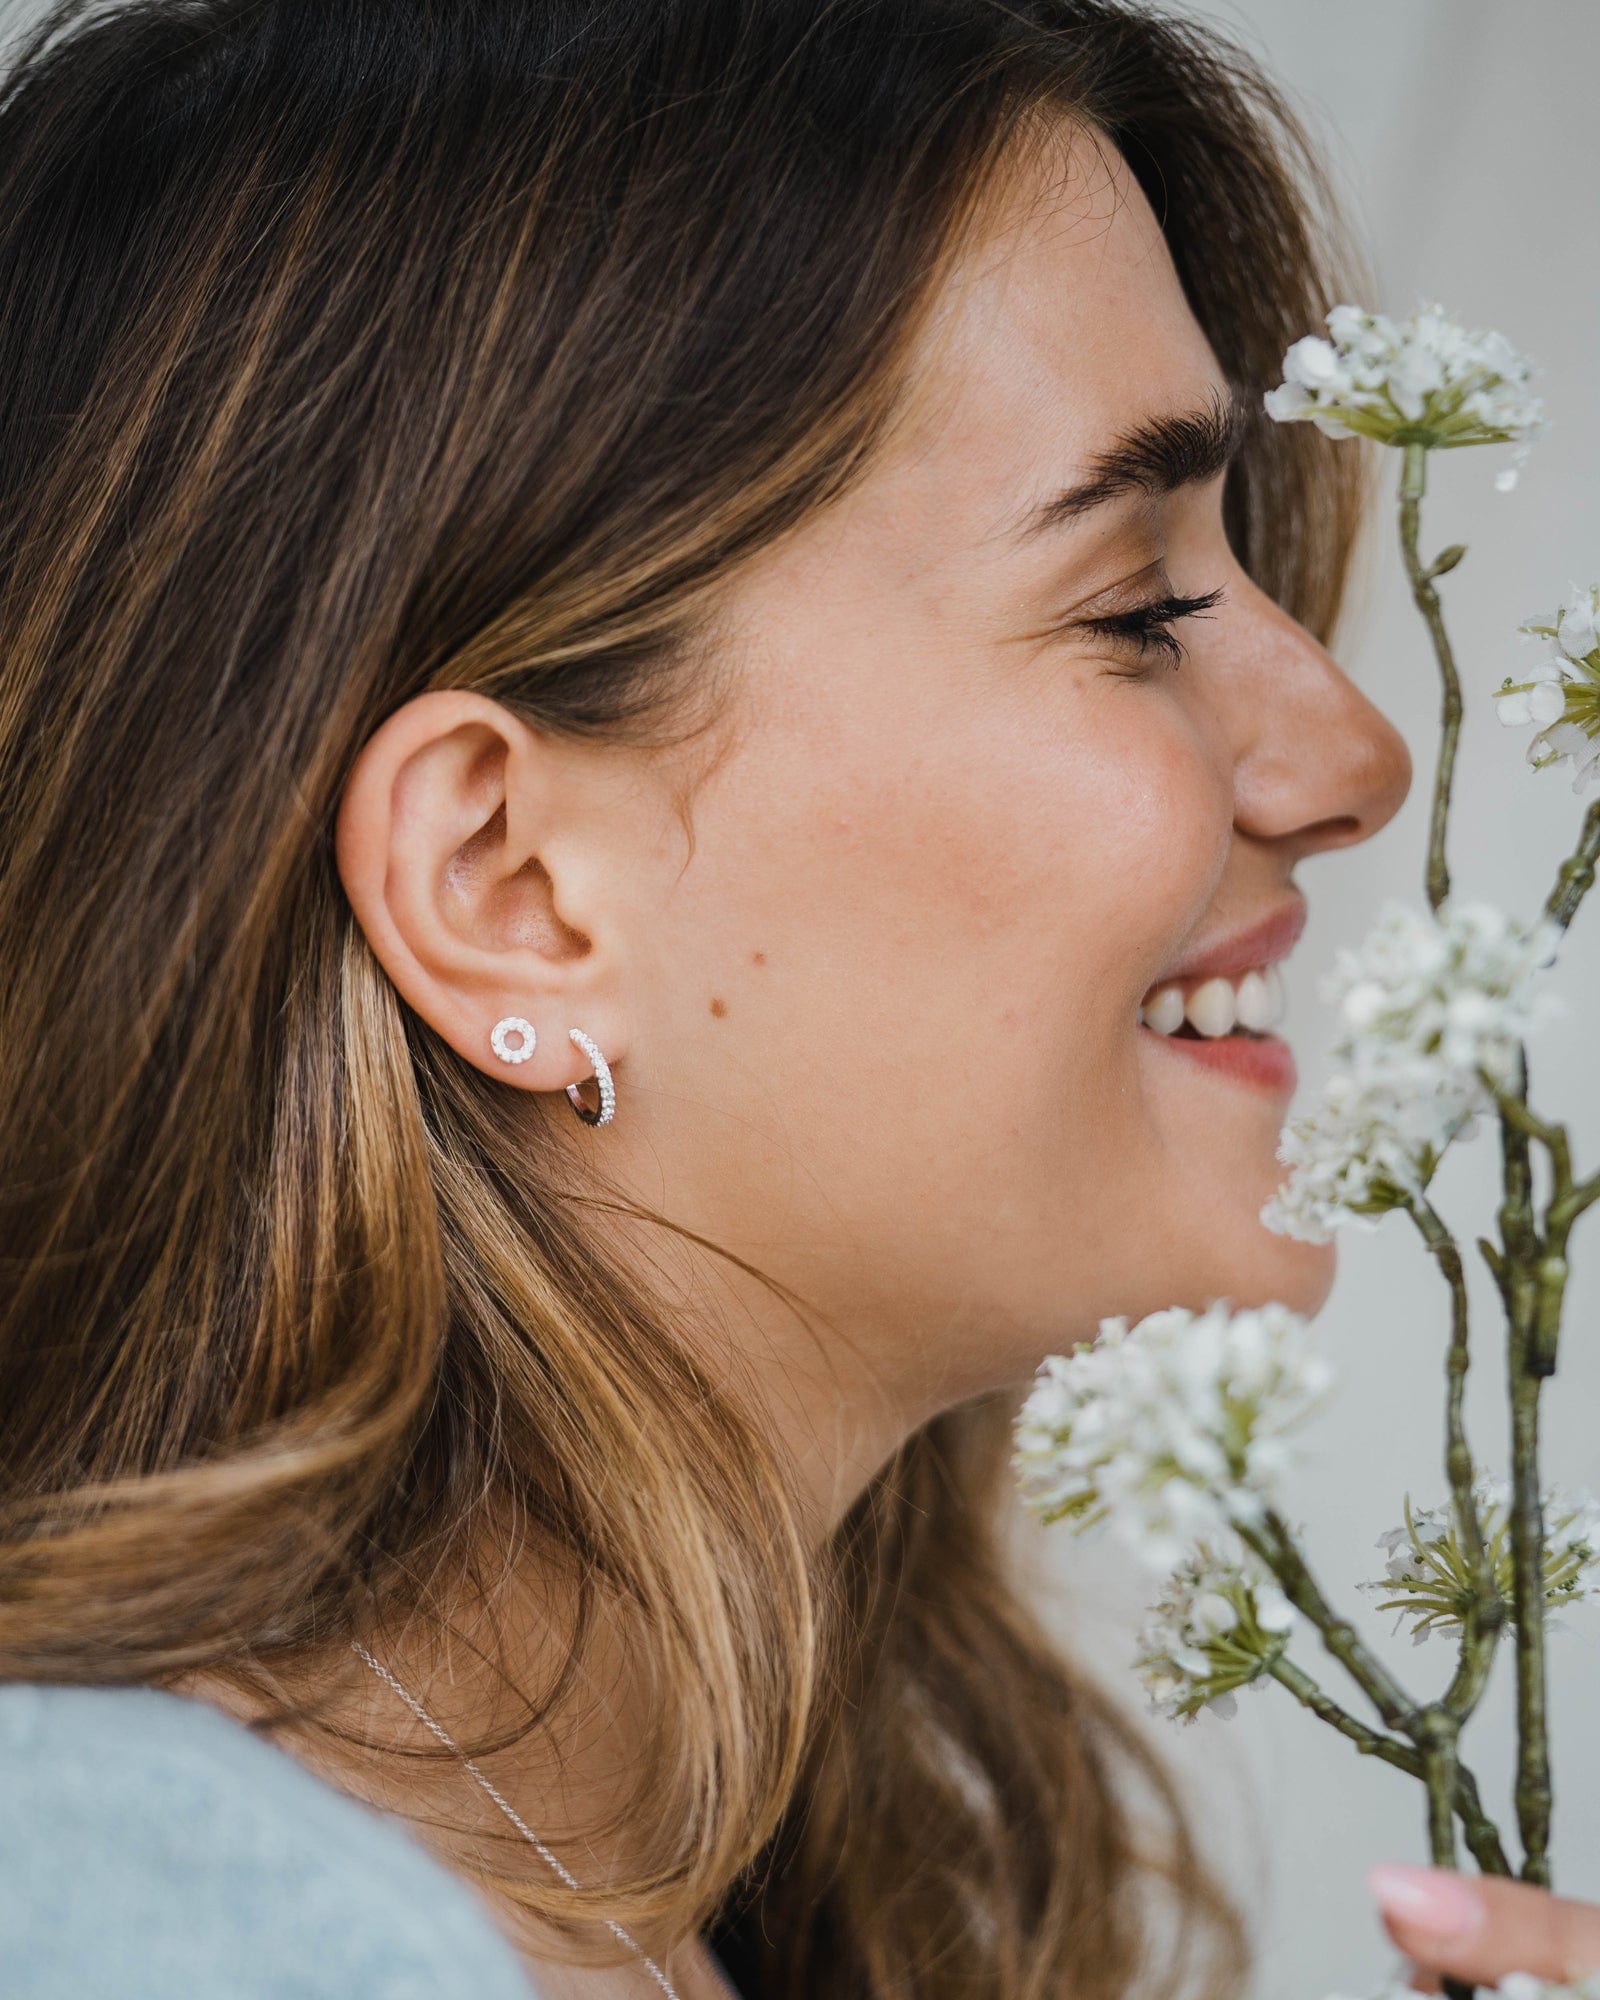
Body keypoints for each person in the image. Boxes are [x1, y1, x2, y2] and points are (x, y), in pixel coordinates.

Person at [1, 2, 1594, 1996]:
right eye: (1132, 607)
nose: (1351, 753)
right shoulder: (133, 1922)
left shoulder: (697, 1915)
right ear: (506, 885)